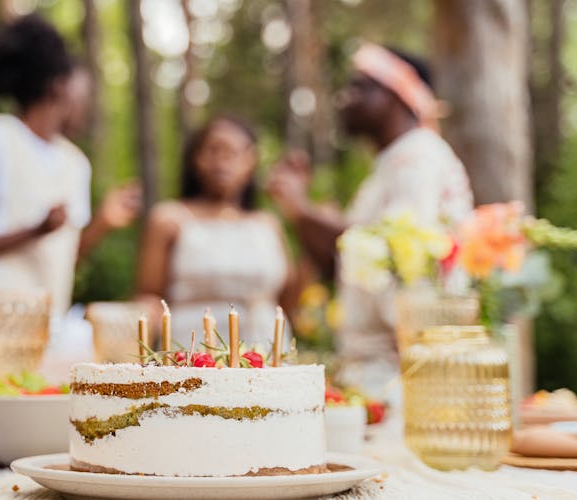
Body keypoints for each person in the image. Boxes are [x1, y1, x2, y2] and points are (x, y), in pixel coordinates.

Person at [0, 15, 140, 345]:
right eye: (82, 86)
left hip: (45, 340)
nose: (88, 100)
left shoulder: (75, 163)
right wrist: (33, 230)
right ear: (57, 84)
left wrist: (103, 223)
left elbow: (61, 258)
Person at [267, 44, 473, 395]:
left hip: (407, 377)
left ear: (395, 95)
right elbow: (343, 265)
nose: (343, 98)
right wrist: (300, 215)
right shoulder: (392, 165)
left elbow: (396, 258)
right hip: (380, 372)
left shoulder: (417, 160)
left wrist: (303, 210)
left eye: (359, 87)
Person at [136, 117, 303, 348]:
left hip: (264, 349)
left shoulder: (268, 223)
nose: (222, 161)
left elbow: (288, 299)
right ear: (195, 159)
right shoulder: (169, 219)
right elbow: (149, 297)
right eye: (213, 150)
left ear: (251, 160)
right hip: (191, 350)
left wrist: (301, 217)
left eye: (233, 152)